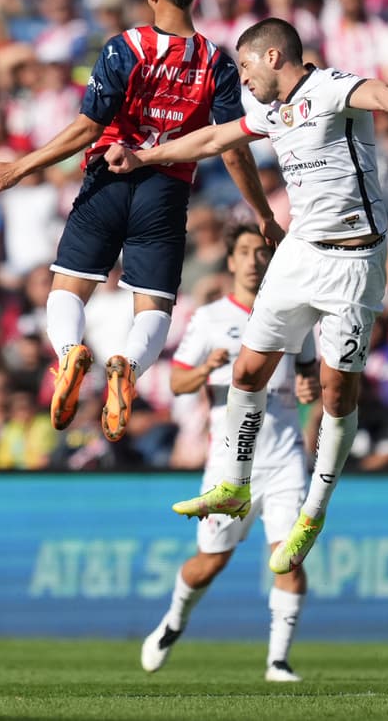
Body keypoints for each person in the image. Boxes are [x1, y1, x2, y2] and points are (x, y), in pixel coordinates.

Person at [105, 17, 388, 575]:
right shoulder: (270, 111)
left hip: (352, 262)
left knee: (334, 390)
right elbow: (212, 137)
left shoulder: (328, 86)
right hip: (299, 252)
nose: (244, 79)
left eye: (248, 66)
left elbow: (376, 89)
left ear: (273, 57)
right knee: (248, 371)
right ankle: (233, 482)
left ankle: (313, 512)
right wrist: (145, 157)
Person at [0, 0, 279, 442]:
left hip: (108, 176)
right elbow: (233, 149)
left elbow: (88, 128)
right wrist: (262, 213)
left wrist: (20, 167)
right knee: (153, 306)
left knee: (68, 288)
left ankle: (69, 356)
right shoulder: (216, 63)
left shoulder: (123, 48)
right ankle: (127, 367)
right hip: (167, 189)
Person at [142, 224, 318, 682]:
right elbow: (177, 382)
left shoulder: (295, 313)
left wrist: (308, 383)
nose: (256, 259)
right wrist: (205, 368)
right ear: (232, 261)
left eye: (263, 251)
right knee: (209, 563)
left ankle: (278, 661)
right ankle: (174, 620)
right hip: (229, 462)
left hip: (284, 458)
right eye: (246, 251)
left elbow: (309, 372)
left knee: (289, 557)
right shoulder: (212, 317)